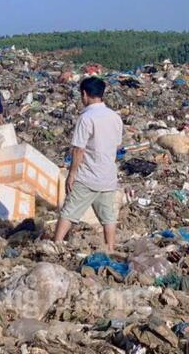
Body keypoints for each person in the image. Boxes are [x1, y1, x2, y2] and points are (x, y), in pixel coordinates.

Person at [53, 76, 123, 252]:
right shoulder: (115, 117)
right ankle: (111, 249)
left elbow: (78, 150)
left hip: (88, 176)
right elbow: (117, 145)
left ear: (84, 94)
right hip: (108, 176)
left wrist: (72, 174)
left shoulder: (86, 118)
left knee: (69, 212)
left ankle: (57, 246)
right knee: (108, 217)